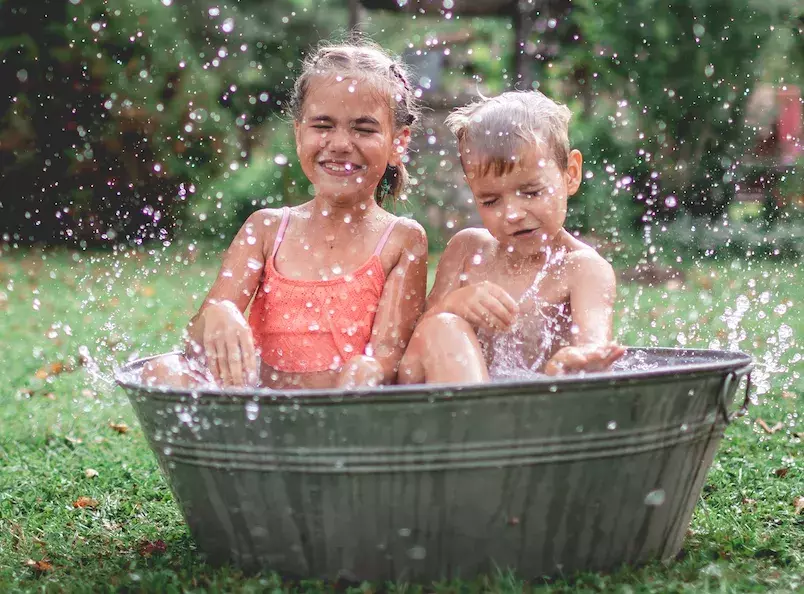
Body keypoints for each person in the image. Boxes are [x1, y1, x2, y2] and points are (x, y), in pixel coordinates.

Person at [143, 41, 427, 390]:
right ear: (298, 134)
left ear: (398, 142)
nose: (339, 143)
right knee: (163, 371)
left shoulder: (401, 239)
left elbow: (389, 355)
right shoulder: (266, 230)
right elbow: (195, 345)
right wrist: (219, 314)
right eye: (322, 125)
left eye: (364, 129)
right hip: (264, 417)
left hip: (350, 417)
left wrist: (368, 371)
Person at [399, 90, 624, 384]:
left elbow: (594, 349)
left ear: (570, 173)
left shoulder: (582, 269)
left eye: (531, 192)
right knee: (441, 325)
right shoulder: (466, 251)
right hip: (455, 410)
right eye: (491, 201)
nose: (512, 214)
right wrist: (451, 305)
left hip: (531, 413)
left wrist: (571, 362)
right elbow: (412, 360)